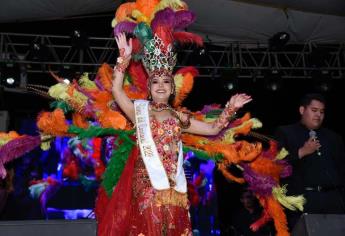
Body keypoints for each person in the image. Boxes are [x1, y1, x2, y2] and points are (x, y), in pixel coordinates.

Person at [96, 29, 252, 236]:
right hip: (146, 183)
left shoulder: (180, 118)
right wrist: (123, 58)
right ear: (150, 88)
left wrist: (230, 108)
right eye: (156, 82)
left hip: (175, 187)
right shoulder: (138, 111)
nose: (161, 85)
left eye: (166, 81)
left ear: (172, 89)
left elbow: (214, 128)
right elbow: (116, 91)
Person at [275, 93, 345, 229]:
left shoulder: (333, 137)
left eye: (322, 112)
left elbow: (341, 170)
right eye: (314, 110)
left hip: (333, 202)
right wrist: (302, 152)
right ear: (302, 110)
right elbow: (276, 166)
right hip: (303, 201)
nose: (318, 115)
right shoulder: (286, 133)